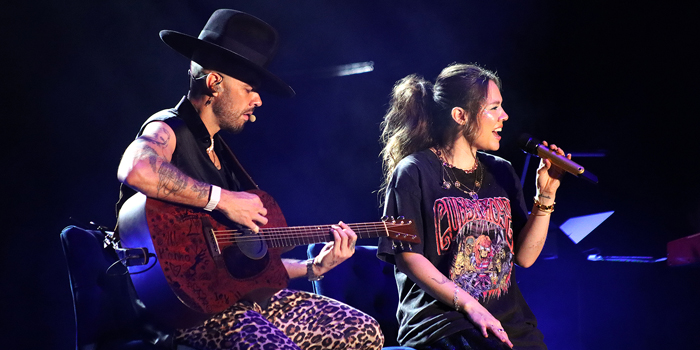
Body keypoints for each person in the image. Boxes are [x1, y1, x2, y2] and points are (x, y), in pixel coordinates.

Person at [116, 9, 383, 350]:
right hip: (184, 312)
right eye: (248, 89)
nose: (257, 100)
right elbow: (137, 169)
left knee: (362, 331)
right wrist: (222, 199)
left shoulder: (225, 158)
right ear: (214, 82)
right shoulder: (168, 127)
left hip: (233, 303)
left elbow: (246, 271)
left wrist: (314, 267)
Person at [377, 63, 569, 350]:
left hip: (507, 321)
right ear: (460, 116)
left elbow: (525, 258)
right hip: (443, 322)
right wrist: (471, 306)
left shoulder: (501, 171)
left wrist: (546, 195)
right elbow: (408, 257)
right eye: (493, 108)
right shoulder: (415, 171)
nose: (504, 116)